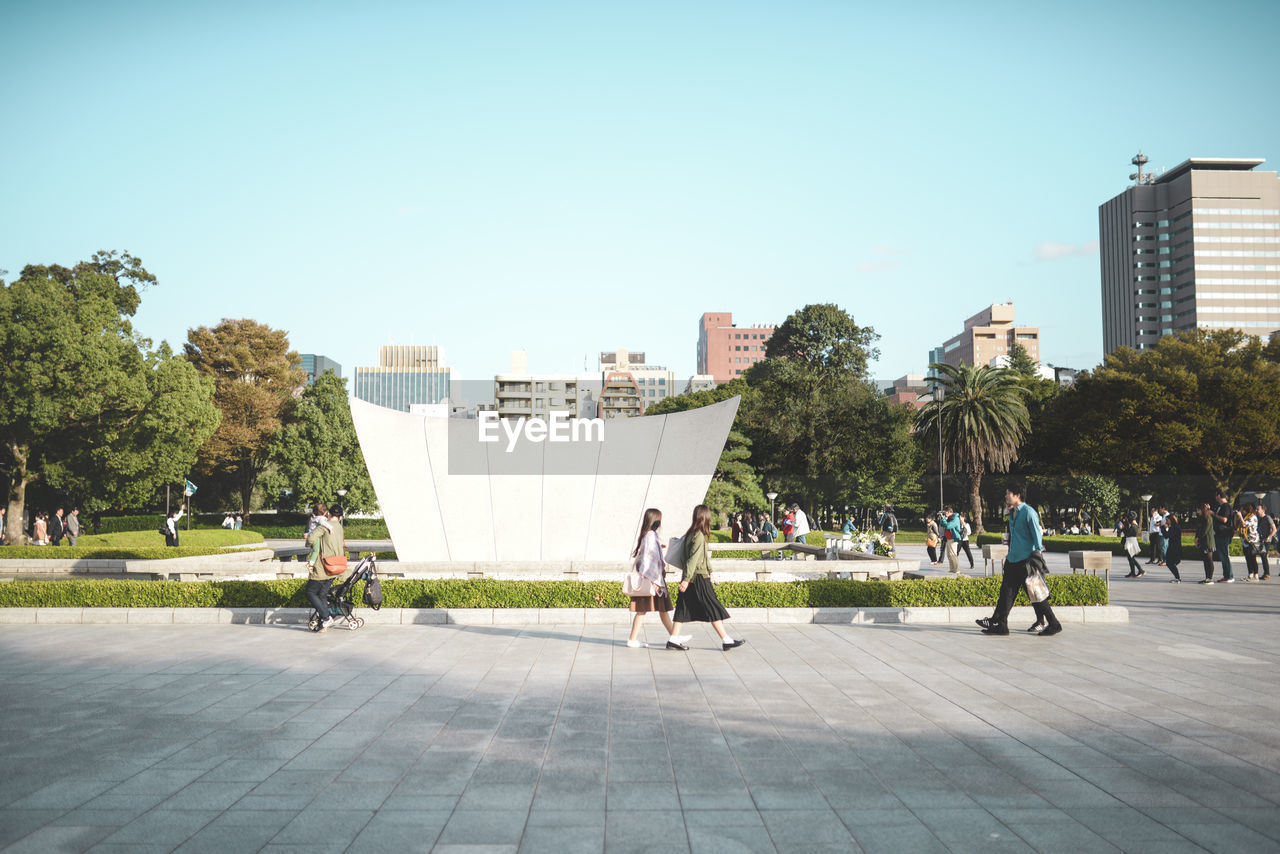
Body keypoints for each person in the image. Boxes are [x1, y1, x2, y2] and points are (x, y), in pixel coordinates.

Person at [977, 481, 1061, 636]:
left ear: (1017, 495)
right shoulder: (1012, 512)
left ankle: (1053, 623)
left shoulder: (1029, 512)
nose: (1006, 496)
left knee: (1035, 592)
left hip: (1026, 560)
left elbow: (1037, 537)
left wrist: (1037, 560)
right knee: (1006, 593)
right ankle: (1001, 625)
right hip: (1012, 559)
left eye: (1008, 493)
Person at [668, 504, 745, 651]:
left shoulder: (692, 533)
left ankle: (673, 639)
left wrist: (711, 572)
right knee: (711, 606)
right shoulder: (699, 536)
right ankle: (726, 639)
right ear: (705, 517)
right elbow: (693, 559)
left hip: (693, 576)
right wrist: (687, 579)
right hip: (697, 578)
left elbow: (703, 558)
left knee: (683, 607)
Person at [625, 508, 681, 648]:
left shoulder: (648, 535)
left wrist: (658, 547)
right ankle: (674, 638)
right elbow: (647, 562)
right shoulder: (650, 536)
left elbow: (647, 557)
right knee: (649, 610)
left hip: (653, 580)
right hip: (653, 581)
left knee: (656, 610)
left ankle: (674, 638)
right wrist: (654, 581)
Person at [305, 505, 351, 631]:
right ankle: (323, 624)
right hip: (335, 566)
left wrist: (309, 544)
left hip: (323, 567)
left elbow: (310, 538)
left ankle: (326, 617)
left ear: (328, 514)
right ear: (341, 517)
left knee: (310, 592)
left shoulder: (324, 526)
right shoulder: (340, 528)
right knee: (322, 595)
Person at [1211, 490, 1235, 583]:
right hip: (1220, 534)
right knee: (1222, 555)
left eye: (1216, 496)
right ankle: (1226, 575)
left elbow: (1224, 520)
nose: (1215, 498)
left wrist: (1213, 514)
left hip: (1224, 534)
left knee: (1224, 555)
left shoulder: (1226, 506)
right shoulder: (1221, 506)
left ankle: (1229, 576)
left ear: (1219, 496)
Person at [1195, 503, 1217, 584]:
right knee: (1205, 560)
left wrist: (1198, 537)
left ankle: (1210, 578)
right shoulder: (1201, 518)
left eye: (1198, 510)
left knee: (1209, 559)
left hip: (1208, 542)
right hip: (1202, 542)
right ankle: (1207, 577)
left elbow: (1205, 530)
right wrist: (1196, 537)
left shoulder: (1208, 518)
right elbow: (1198, 529)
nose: (1197, 511)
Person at [1241, 503, 1261, 581]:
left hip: (1252, 540)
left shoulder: (1252, 517)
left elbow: (1244, 525)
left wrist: (1239, 516)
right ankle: (1250, 574)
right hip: (1245, 540)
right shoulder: (1246, 517)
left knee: (1252, 557)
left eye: (1243, 510)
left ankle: (1256, 575)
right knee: (1248, 558)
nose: (1242, 511)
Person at [939, 506, 962, 573]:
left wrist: (943, 518)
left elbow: (948, 526)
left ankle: (956, 569)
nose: (944, 513)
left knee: (953, 554)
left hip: (953, 538)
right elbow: (943, 524)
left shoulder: (955, 518)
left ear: (949, 512)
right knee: (949, 555)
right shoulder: (949, 518)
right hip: (949, 539)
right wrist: (942, 518)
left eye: (945, 512)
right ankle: (952, 569)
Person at [1121, 512, 1143, 578]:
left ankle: (1140, 570)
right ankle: (1133, 572)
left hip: (1131, 542)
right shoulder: (1133, 525)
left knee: (1131, 558)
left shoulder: (1134, 526)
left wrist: (1123, 528)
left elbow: (1127, 533)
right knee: (1130, 558)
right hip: (1130, 541)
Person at [1256, 503, 1274, 581]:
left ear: (1263, 510)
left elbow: (1274, 529)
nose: (1256, 510)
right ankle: (1265, 573)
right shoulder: (1257, 518)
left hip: (1266, 541)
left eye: (1258, 509)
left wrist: (1268, 537)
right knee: (1262, 557)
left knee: (1264, 556)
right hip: (1260, 540)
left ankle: (1267, 574)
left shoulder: (1268, 518)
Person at [1164, 512, 1183, 582]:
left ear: (1171, 520)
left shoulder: (1174, 527)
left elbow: (1167, 536)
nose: (1166, 522)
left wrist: (1162, 528)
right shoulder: (1174, 527)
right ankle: (1177, 577)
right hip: (1174, 546)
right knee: (1170, 563)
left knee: (1170, 563)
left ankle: (1178, 578)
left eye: (1167, 520)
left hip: (1174, 547)